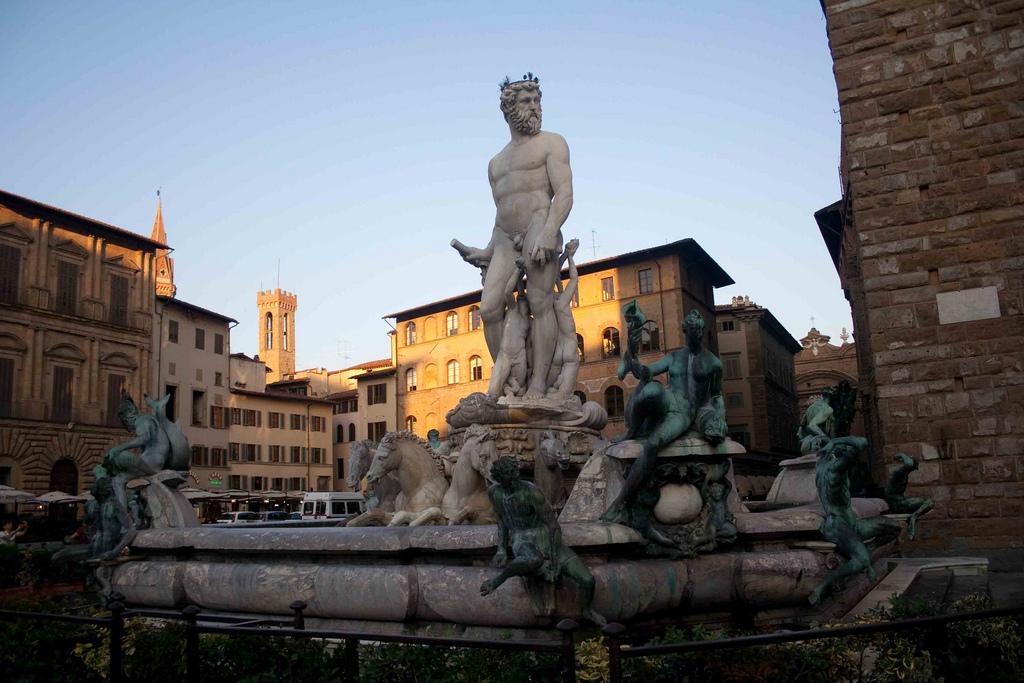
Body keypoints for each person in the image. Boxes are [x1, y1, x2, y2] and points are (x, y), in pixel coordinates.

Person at [452, 73, 573, 399]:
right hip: (505, 237)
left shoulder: (553, 142)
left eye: (537, 100)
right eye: (526, 101)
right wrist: (487, 250)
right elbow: (500, 212)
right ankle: (510, 382)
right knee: (489, 308)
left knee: (539, 302)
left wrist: (549, 232)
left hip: (539, 225)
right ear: (508, 109)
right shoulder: (496, 163)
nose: (534, 107)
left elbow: (563, 194)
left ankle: (537, 386)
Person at [602, 309, 727, 524]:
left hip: (684, 412)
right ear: (685, 332)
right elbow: (648, 372)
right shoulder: (675, 356)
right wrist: (632, 357)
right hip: (670, 398)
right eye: (691, 331)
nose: (695, 335)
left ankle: (621, 503)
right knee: (650, 389)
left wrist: (719, 418)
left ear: (702, 332)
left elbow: (716, 396)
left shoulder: (713, 363)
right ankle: (631, 431)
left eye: (698, 331)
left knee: (652, 446)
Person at [480, 456, 605, 625]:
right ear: (502, 480)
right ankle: (497, 580)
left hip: (547, 538)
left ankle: (586, 610)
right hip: (522, 539)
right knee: (533, 559)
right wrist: (501, 549)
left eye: (517, 476)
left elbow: (553, 526)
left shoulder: (531, 491)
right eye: (512, 479)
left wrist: (553, 560)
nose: (517, 481)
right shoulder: (494, 492)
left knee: (588, 580)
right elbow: (501, 519)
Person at [808, 436, 901, 605]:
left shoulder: (821, 465)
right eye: (842, 448)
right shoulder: (835, 468)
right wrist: (836, 441)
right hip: (838, 526)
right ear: (834, 449)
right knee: (862, 560)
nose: (846, 450)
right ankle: (823, 585)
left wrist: (830, 444)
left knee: (893, 527)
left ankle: (863, 553)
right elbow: (862, 443)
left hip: (851, 523)